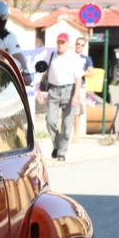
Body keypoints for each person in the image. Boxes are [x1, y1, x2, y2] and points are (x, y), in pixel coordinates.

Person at [37, 33, 81, 161]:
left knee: (67, 126)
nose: (60, 45)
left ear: (68, 44)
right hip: (53, 91)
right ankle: (57, 145)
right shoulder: (52, 55)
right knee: (50, 121)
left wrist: (76, 96)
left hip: (69, 90)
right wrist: (40, 90)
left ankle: (62, 152)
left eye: (63, 43)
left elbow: (78, 79)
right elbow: (44, 74)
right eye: (58, 42)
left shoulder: (74, 58)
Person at [71, 36, 94, 139]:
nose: (79, 46)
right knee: (65, 111)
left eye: (82, 45)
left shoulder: (86, 59)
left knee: (77, 112)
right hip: (68, 85)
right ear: (74, 44)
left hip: (80, 87)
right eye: (78, 44)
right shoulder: (69, 57)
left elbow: (91, 73)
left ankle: (75, 135)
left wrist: (80, 73)